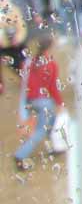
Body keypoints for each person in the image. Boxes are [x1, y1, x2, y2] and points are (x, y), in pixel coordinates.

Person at [14, 33, 63, 170]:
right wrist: (60, 104)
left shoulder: (28, 63)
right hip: (44, 102)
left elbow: (24, 84)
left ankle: (55, 146)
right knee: (40, 130)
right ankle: (20, 155)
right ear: (50, 47)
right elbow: (53, 87)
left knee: (52, 122)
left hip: (30, 100)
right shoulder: (51, 64)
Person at [0, 0, 28, 95]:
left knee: (20, 58)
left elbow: (22, 28)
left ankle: (24, 79)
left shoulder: (14, 10)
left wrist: (17, 38)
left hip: (14, 44)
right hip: (2, 44)